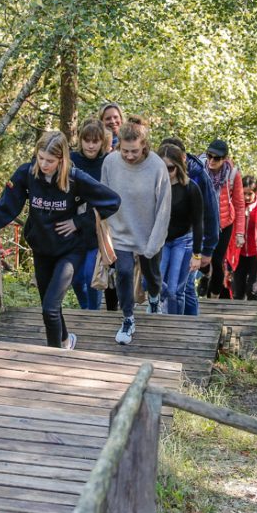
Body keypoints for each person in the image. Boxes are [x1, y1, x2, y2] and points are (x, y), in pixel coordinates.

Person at [0, 132, 120, 349]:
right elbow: (5, 209)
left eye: (50, 161)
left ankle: (53, 357)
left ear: (62, 159)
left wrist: (79, 222)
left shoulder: (75, 178)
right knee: (51, 306)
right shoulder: (27, 174)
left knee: (49, 308)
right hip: (42, 248)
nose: (43, 164)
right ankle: (66, 341)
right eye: (40, 158)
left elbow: (112, 201)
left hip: (70, 250)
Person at [101, 117, 172, 344]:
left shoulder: (157, 166)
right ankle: (128, 317)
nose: (130, 156)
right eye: (125, 151)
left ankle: (154, 298)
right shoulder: (110, 163)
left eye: (134, 151)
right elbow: (103, 196)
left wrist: (154, 243)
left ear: (144, 145)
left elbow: (164, 207)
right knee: (122, 272)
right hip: (120, 230)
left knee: (152, 277)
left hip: (148, 232)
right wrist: (104, 234)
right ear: (118, 144)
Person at [158, 137, 219, 316]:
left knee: (178, 289)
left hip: (185, 240)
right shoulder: (157, 185)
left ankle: (183, 324)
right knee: (156, 284)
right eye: (163, 168)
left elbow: (206, 217)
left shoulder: (195, 183)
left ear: (180, 162)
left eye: (170, 168)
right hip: (162, 239)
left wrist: (202, 252)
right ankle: (161, 314)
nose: (166, 172)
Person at [70, 119, 113, 310]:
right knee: (76, 278)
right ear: (81, 140)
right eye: (87, 140)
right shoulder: (72, 159)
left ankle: (93, 312)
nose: (91, 145)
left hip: (97, 226)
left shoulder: (107, 162)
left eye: (95, 141)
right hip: (73, 227)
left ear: (102, 142)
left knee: (90, 275)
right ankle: (85, 308)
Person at [200, 139, 245, 299]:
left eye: (216, 158)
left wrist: (240, 233)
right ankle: (206, 274)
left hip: (224, 224)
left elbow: (239, 205)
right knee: (200, 260)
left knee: (218, 261)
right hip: (202, 223)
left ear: (224, 159)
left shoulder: (233, 174)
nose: (211, 161)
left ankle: (213, 299)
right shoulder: (198, 168)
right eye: (209, 156)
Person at [97, 101, 125, 311]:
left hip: (126, 210)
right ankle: (111, 307)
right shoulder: (98, 145)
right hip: (106, 212)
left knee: (124, 260)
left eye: (116, 117)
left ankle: (127, 303)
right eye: (108, 118)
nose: (113, 121)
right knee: (109, 258)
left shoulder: (129, 141)